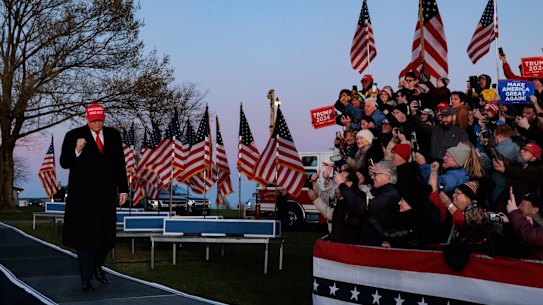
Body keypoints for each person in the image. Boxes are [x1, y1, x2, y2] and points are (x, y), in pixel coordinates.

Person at [60, 103, 128, 292]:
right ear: (87, 118)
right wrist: (77, 150)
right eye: (94, 120)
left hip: (106, 196)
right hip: (82, 198)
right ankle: (86, 278)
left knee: (106, 237)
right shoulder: (73, 135)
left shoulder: (113, 136)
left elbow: (119, 164)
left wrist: (123, 189)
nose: (97, 123)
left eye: (100, 120)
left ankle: (97, 265)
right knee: (84, 239)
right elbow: (64, 162)